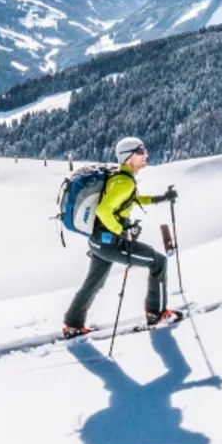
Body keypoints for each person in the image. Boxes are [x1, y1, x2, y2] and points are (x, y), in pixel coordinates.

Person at [63, 136, 179, 337]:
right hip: (112, 243)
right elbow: (103, 210)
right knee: (158, 262)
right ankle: (157, 314)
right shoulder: (124, 183)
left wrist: (161, 198)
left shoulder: (121, 179)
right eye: (140, 152)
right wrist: (123, 232)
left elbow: (131, 200)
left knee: (94, 281)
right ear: (128, 157)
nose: (146, 155)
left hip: (98, 241)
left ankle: (72, 324)